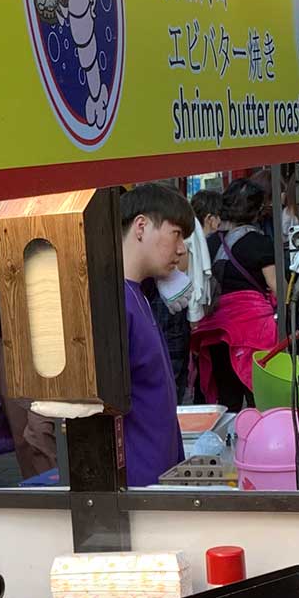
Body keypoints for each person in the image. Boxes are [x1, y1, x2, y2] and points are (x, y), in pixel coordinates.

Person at [119, 185, 191, 484]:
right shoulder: (116, 300)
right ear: (141, 226)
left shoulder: (141, 294)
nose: (182, 249)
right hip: (138, 479)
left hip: (161, 472)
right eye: (176, 233)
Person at [190, 178, 278, 411]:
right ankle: (259, 440)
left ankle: (232, 442)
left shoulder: (208, 243)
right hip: (252, 330)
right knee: (259, 396)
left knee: (227, 398)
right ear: (257, 211)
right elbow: (276, 285)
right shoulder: (260, 243)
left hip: (216, 329)